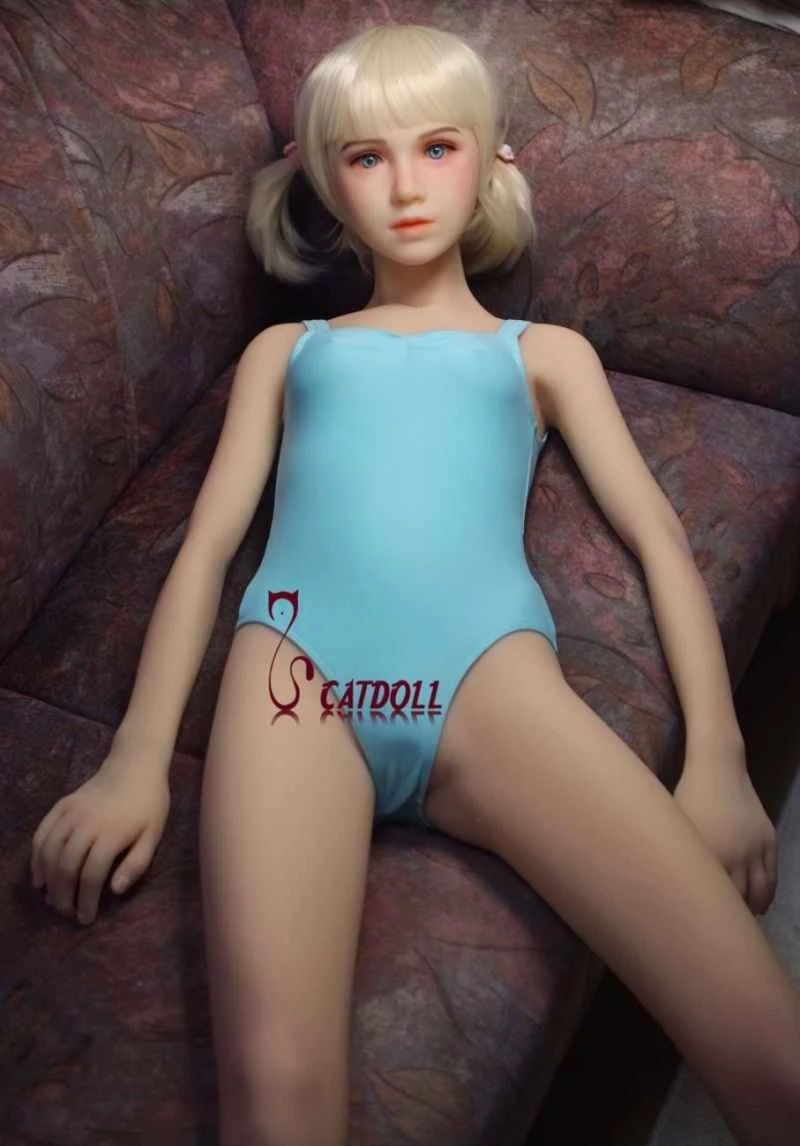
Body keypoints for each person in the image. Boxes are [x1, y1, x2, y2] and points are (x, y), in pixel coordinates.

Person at [28, 21, 800, 1146]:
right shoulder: (287, 352)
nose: (403, 186)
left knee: (769, 1050)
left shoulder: (543, 354)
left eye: (436, 147)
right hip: (296, 685)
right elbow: (207, 545)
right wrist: (135, 759)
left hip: (490, 682)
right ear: (323, 181)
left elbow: (657, 539)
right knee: (277, 1106)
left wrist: (719, 761)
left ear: (492, 161)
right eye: (365, 155)